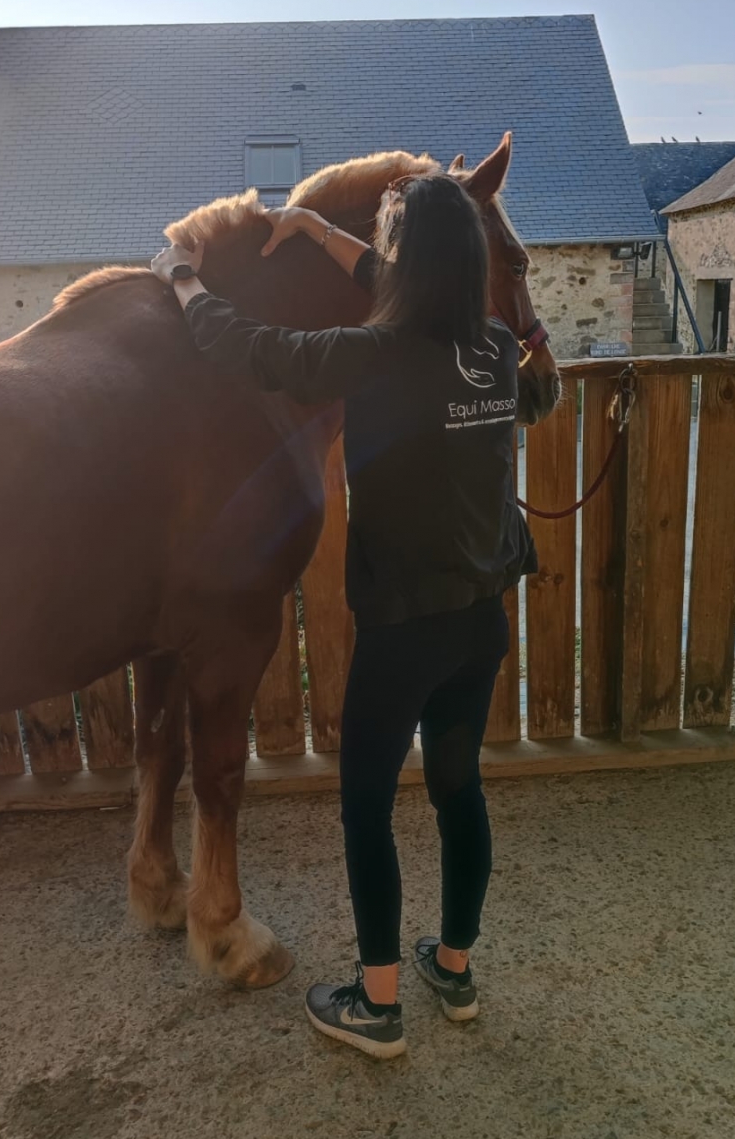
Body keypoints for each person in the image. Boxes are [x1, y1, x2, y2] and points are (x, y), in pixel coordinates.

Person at [151, 174, 536, 1060]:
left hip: (403, 632)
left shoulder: (369, 354)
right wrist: (319, 229)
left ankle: (377, 1004)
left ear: (405, 263)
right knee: (459, 791)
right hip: (480, 624)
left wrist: (181, 275)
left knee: (366, 809)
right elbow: (400, 281)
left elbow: (246, 346)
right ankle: (453, 970)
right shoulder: (494, 347)